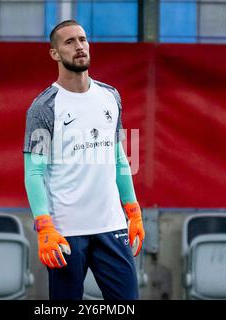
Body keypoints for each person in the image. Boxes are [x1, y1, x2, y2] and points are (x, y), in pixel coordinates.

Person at [23, 20, 145, 300]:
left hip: (112, 228)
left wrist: (134, 211)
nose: (79, 46)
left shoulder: (110, 97)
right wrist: (44, 225)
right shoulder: (44, 107)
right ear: (54, 53)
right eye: (69, 42)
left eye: (82, 39)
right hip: (66, 232)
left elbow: (120, 158)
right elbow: (34, 172)